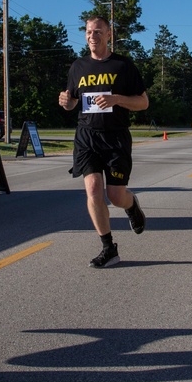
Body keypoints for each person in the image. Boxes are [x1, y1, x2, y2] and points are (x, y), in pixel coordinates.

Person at [58, 16, 149, 268]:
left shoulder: (123, 65)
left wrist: (117, 99)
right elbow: (73, 100)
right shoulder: (78, 66)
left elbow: (143, 102)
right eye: (88, 31)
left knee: (116, 196)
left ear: (109, 35)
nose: (92, 36)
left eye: (98, 31)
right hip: (87, 137)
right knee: (93, 190)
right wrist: (67, 103)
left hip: (115, 138)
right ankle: (108, 248)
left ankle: (131, 205)